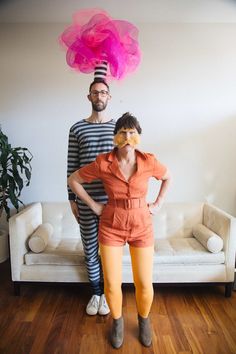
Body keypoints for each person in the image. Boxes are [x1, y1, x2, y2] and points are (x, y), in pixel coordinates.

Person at [68, 112, 171, 348]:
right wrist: (93, 205)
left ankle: (144, 321)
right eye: (122, 132)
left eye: (132, 132)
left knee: (144, 282)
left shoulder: (149, 162)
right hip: (111, 226)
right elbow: (73, 179)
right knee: (112, 283)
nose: (127, 137)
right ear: (115, 136)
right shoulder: (103, 163)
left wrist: (158, 204)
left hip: (142, 226)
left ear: (138, 136)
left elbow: (168, 177)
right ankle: (117, 322)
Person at [67, 78, 116, 316]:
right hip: (86, 200)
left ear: (109, 97)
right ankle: (95, 293)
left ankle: (107, 293)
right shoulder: (77, 128)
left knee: (108, 249)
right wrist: (72, 199)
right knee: (89, 248)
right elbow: (71, 166)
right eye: (95, 92)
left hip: (111, 203)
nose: (99, 96)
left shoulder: (118, 129)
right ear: (89, 97)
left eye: (103, 92)